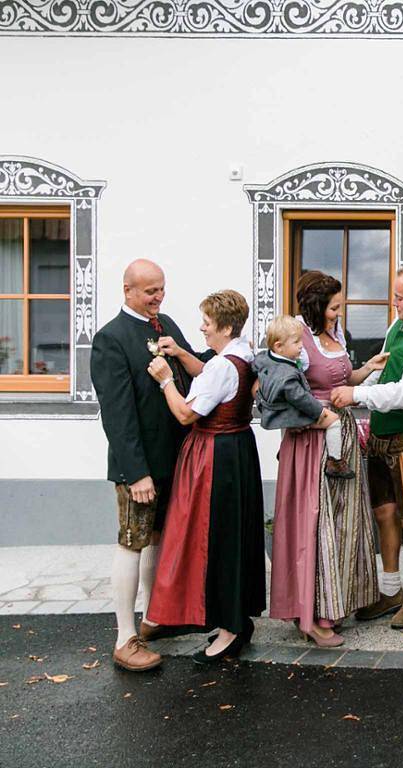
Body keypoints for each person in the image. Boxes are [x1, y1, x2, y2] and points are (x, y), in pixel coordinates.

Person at [91, 258, 211, 672]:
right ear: (127, 291)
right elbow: (117, 414)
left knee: (158, 538)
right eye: (149, 291)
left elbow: (194, 372)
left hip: (173, 458)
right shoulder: (110, 338)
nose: (158, 296)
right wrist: (136, 472)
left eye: (161, 289)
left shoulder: (167, 325)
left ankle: (153, 617)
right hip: (137, 468)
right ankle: (125, 637)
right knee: (132, 541)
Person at [145, 290, 266, 663]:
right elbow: (215, 375)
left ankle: (228, 629)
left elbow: (186, 414)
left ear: (226, 327)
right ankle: (237, 619)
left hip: (217, 458)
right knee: (234, 536)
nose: (201, 328)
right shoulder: (240, 353)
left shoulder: (222, 367)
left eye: (208, 324)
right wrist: (182, 354)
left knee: (217, 541)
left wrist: (166, 379)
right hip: (238, 450)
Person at [269, 272, 383, 646]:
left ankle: (336, 604)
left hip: (343, 434)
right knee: (316, 526)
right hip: (311, 440)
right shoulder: (295, 337)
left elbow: (345, 376)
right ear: (317, 306)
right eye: (334, 306)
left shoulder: (335, 335)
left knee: (344, 524)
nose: (339, 311)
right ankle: (311, 615)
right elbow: (272, 383)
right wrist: (314, 415)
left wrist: (369, 369)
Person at [332, 266, 403, 630]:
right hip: (380, 437)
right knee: (382, 513)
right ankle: (389, 591)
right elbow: (386, 375)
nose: (393, 301)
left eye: (399, 296)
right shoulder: (397, 327)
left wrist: (357, 394)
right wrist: (363, 378)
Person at [253, 314, 356, 480]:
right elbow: (300, 398)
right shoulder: (286, 375)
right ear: (279, 346)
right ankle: (335, 462)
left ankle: (284, 451)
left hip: (277, 412)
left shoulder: (266, 360)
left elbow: (257, 371)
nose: (301, 346)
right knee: (334, 421)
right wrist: (319, 411)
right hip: (289, 414)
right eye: (296, 342)